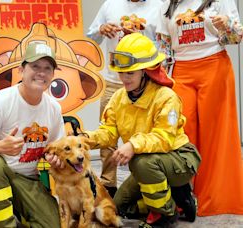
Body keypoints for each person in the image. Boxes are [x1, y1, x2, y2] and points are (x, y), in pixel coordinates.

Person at [84, 33, 201, 228]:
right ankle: (180, 200)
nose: (124, 78)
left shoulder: (166, 97)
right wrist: (85, 139)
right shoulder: (119, 97)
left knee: (140, 163)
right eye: (121, 72)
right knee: (119, 206)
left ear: (146, 71)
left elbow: (164, 138)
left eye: (130, 73)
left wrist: (133, 145)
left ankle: (166, 214)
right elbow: (109, 132)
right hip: (149, 161)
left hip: (179, 158)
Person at [156, 0, 243, 216]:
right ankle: (182, 197)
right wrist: (161, 82)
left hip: (214, 65)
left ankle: (216, 199)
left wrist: (227, 24)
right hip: (181, 71)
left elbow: (236, 36)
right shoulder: (167, 3)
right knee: (182, 133)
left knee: (216, 134)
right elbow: (163, 45)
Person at [0, 43, 65, 228]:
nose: (41, 73)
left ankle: (19, 210)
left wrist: (54, 158)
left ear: (53, 75)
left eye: (47, 68)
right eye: (35, 66)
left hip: (29, 178)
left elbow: (56, 148)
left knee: (52, 224)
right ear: (21, 69)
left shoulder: (53, 108)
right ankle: (1, 224)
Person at [86, 0, 164, 197]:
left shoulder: (159, 6)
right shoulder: (110, 5)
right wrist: (101, 29)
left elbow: (165, 43)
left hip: (145, 80)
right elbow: (91, 37)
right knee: (107, 133)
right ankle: (108, 184)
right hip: (113, 80)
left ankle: (143, 182)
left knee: (147, 134)